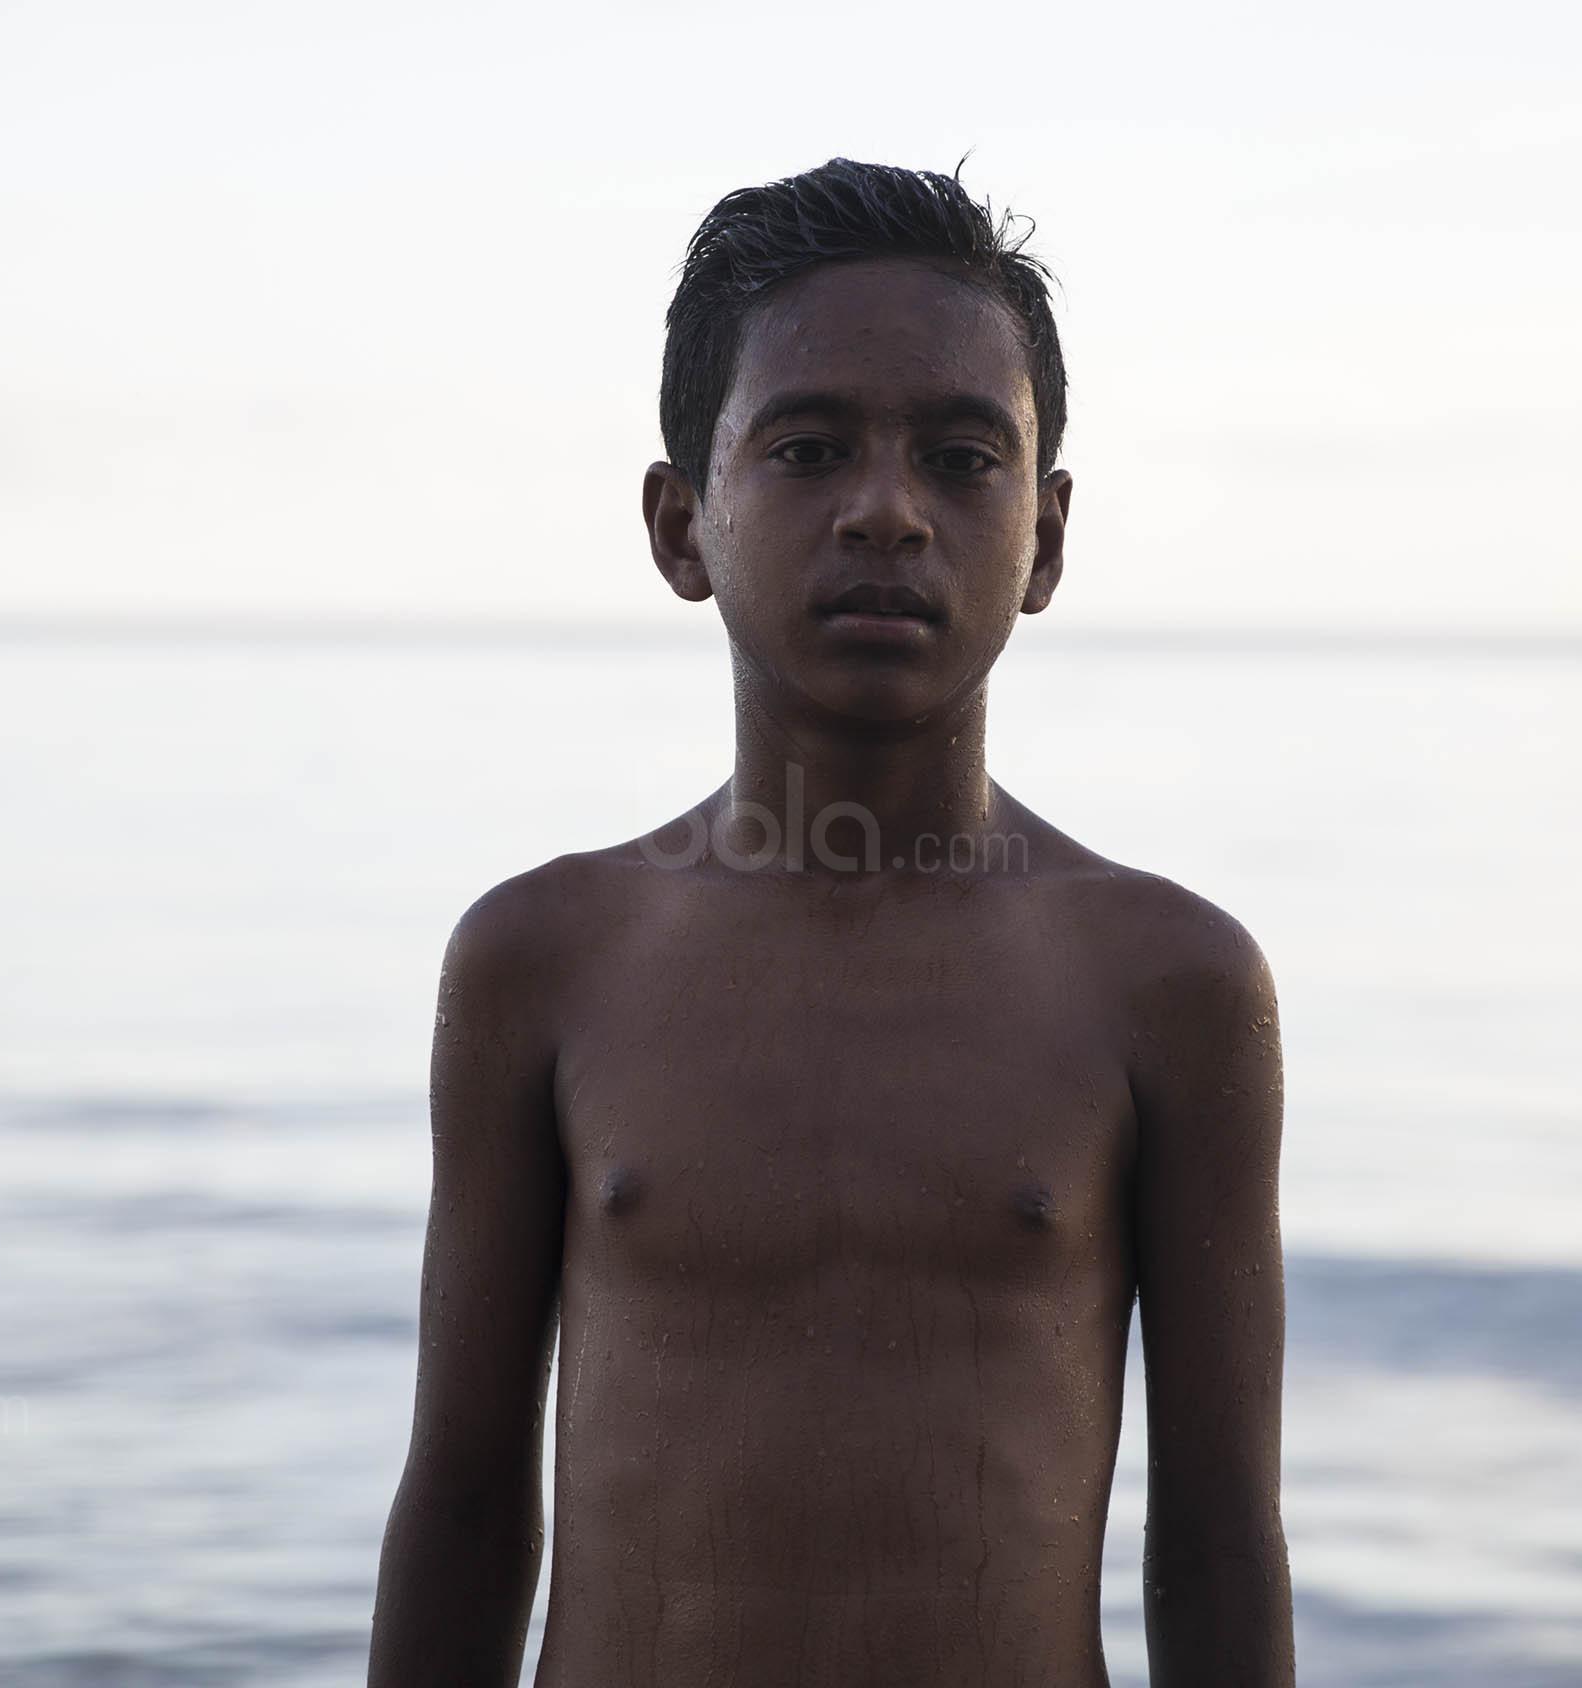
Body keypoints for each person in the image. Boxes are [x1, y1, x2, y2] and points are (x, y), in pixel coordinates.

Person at [367, 158, 1291, 1686]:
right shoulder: (548, 961)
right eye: (807, 449)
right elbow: (465, 1504)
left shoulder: (1166, 985)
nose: (887, 511)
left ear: (1045, 538)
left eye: (960, 457)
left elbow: (1217, 1544)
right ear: (683, 526)